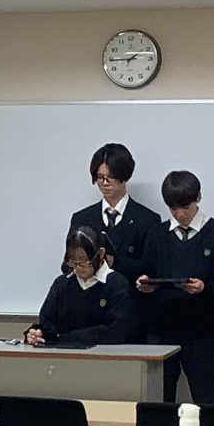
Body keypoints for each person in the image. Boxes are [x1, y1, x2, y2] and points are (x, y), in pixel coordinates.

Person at [136, 170, 214, 405]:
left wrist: (205, 288)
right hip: (161, 332)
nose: (180, 214)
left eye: (185, 207)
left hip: (201, 333)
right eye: (173, 209)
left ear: (198, 198)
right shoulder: (157, 234)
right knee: (159, 401)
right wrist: (145, 285)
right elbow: (146, 274)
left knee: (207, 401)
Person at [66, 143, 161, 339]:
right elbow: (67, 265)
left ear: (125, 176)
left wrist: (114, 262)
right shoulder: (82, 218)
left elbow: (151, 268)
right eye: (99, 178)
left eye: (111, 177)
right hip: (89, 315)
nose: (104, 183)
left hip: (133, 317)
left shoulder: (147, 219)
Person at [26, 226, 133, 347]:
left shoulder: (117, 284)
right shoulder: (62, 284)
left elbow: (116, 331)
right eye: (73, 262)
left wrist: (64, 338)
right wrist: (38, 333)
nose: (78, 268)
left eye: (84, 262)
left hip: (104, 354)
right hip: (62, 353)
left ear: (100, 253)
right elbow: (47, 322)